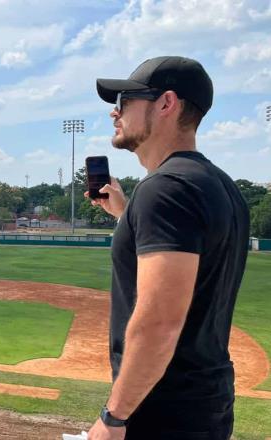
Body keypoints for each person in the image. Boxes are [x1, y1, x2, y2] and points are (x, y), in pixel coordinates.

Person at [86, 56, 250, 440]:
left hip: (162, 414)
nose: (115, 112)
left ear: (166, 104)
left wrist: (114, 417)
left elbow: (160, 321)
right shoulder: (217, 184)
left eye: (126, 100)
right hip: (205, 406)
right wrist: (126, 216)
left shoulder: (166, 190)